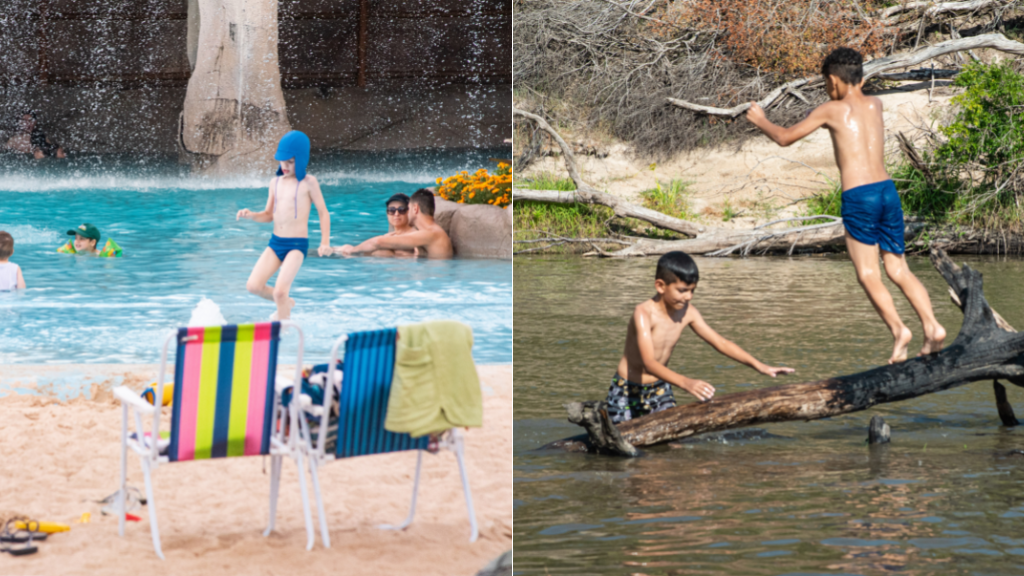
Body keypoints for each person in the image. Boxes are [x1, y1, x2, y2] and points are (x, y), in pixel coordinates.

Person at [745, 47, 946, 364]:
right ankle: (933, 327)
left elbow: (784, 138)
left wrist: (760, 120)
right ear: (861, 79)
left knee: (867, 273)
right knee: (898, 268)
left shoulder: (831, 110)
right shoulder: (876, 104)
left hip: (860, 197)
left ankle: (899, 331)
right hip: (887, 191)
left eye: (827, 84)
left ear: (832, 81)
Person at [606, 251, 794, 423]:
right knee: (620, 440)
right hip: (627, 389)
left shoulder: (688, 312)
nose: (689, 297)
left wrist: (760, 366)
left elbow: (720, 342)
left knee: (673, 440)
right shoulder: (643, 313)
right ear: (660, 286)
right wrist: (686, 383)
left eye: (692, 290)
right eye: (682, 290)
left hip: (660, 388)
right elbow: (649, 363)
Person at [236, 130, 332, 320]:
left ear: (301, 159)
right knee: (253, 286)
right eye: (282, 161)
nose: (285, 166)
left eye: (291, 161)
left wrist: (325, 242)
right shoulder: (275, 182)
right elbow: (268, 216)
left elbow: (323, 212)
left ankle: (283, 328)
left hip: (296, 245)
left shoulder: (309, 182)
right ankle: (286, 304)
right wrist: (251, 215)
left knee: (280, 292)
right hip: (275, 243)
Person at [337, 189, 453, 259]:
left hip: (435, 284)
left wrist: (353, 250)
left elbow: (378, 242)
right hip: (435, 280)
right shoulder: (431, 232)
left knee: (382, 252)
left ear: (415, 209)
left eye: (407, 209)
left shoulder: (430, 233)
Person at [367, 193, 419, 258]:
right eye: (392, 210)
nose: (396, 214)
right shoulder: (387, 237)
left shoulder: (416, 235)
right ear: (387, 214)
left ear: (409, 212)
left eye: (401, 210)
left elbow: (420, 258)